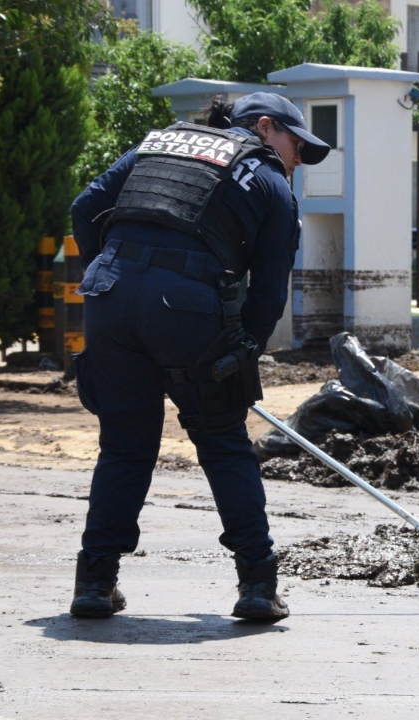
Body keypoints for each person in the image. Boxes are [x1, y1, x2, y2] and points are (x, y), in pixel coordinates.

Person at [67, 92, 330, 622]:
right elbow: (269, 294)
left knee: (123, 446)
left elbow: (84, 208)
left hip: (108, 300)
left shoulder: (157, 145)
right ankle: (257, 584)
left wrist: (112, 275)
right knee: (223, 442)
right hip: (187, 310)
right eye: (295, 143)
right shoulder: (271, 183)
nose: (298, 158)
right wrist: (244, 353)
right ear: (263, 127)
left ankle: (95, 582)